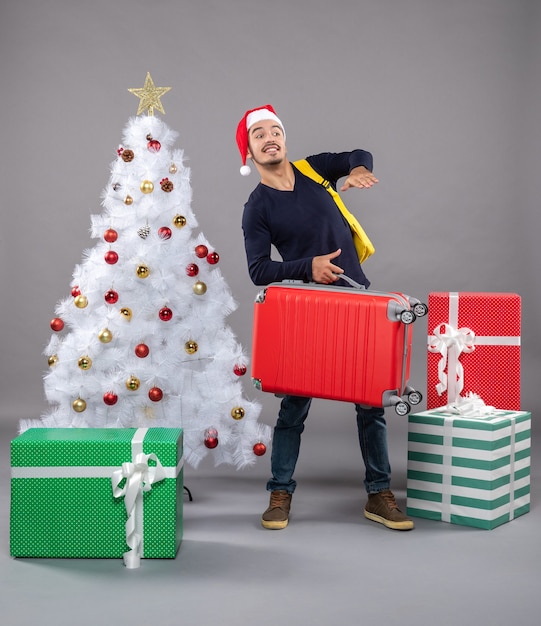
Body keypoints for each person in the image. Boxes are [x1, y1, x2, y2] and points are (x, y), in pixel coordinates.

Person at [236, 104, 414, 531]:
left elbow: (359, 153)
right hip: (308, 310)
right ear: (249, 153)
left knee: (371, 404)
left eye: (274, 129)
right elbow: (259, 270)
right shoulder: (256, 207)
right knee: (293, 408)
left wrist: (355, 172)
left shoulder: (313, 170)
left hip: (357, 300)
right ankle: (280, 493)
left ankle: (378, 494)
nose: (269, 137)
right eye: (258, 134)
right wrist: (307, 266)